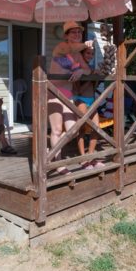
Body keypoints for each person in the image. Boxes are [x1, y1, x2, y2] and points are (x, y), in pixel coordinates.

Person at [48, 21, 92, 175]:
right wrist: (85, 44)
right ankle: (59, 165)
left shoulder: (77, 55)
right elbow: (73, 47)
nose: (77, 35)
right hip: (53, 91)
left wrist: (81, 72)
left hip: (68, 94)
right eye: (73, 32)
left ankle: (52, 151)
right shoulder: (61, 47)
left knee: (73, 129)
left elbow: (87, 70)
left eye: (79, 32)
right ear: (66, 35)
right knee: (57, 129)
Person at [73, 41, 105, 169]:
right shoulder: (77, 68)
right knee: (81, 130)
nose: (90, 55)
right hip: (80, 100)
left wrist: (96, 77)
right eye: (88, 53)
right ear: (82, 53)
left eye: (92, 53)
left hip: (92, 99)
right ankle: (83, 159)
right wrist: (91, 76)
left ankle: (90, 156)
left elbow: (94, 86)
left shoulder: (91, 69)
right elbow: (78, 89)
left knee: (96, 128)